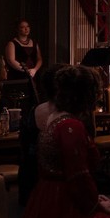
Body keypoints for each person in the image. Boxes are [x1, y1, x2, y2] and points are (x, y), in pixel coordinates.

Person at [22, 65, 110, 218]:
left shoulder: (55, 117)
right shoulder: (70, 127)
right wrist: (95, 204)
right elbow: (77, 176)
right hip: (65, 200)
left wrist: (94, 197)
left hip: (48, 195)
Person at [18, 63, 70, 206]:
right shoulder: (71, 116)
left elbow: (24, 147)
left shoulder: (33, 110)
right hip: (60, 187)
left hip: (30, 181)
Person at [4, 19, 42, 109]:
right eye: (22, 27)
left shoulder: (34, 42)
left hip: (33, 75)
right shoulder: (12, 43)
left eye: (27, 26)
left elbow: (39, 59)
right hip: (19, 76)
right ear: (17, 29)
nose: (26, 29)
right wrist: (25, 70)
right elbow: (11, 60)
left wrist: (34, 70)